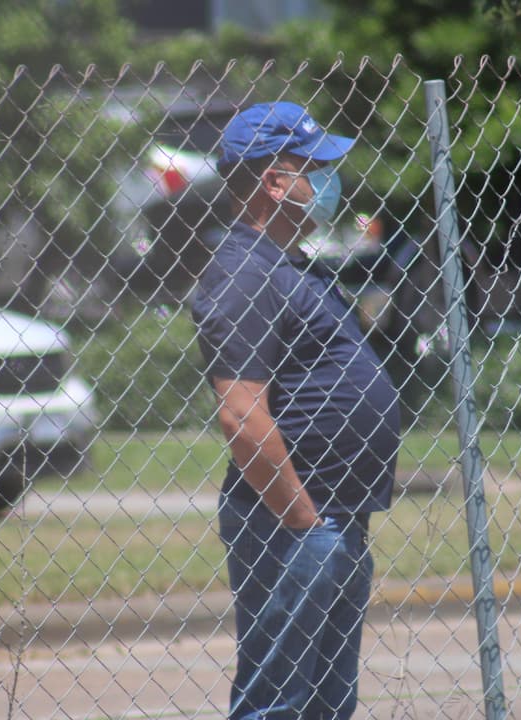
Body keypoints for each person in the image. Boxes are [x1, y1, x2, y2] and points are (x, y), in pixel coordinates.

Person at [191, 102, 402, 719]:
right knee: (276, 705)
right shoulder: (242, 274)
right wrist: (305, 522)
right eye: (317, 168)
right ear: (275, 182)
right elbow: (241, 416)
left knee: (328, 705)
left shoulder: (287, 266)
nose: (329, 183)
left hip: (334, 516)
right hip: (291, 523)